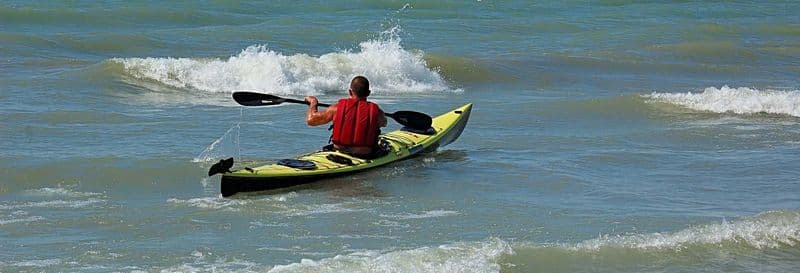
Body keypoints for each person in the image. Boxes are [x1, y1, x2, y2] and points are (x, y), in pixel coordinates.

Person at [305, 76, 388, 157]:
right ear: (368, 93)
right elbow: (384, 123)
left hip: (339, 151)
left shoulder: (336, 109)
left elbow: (311, 120)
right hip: (364, 155)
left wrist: (313, 102)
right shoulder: (377, 112)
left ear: (350, 92)